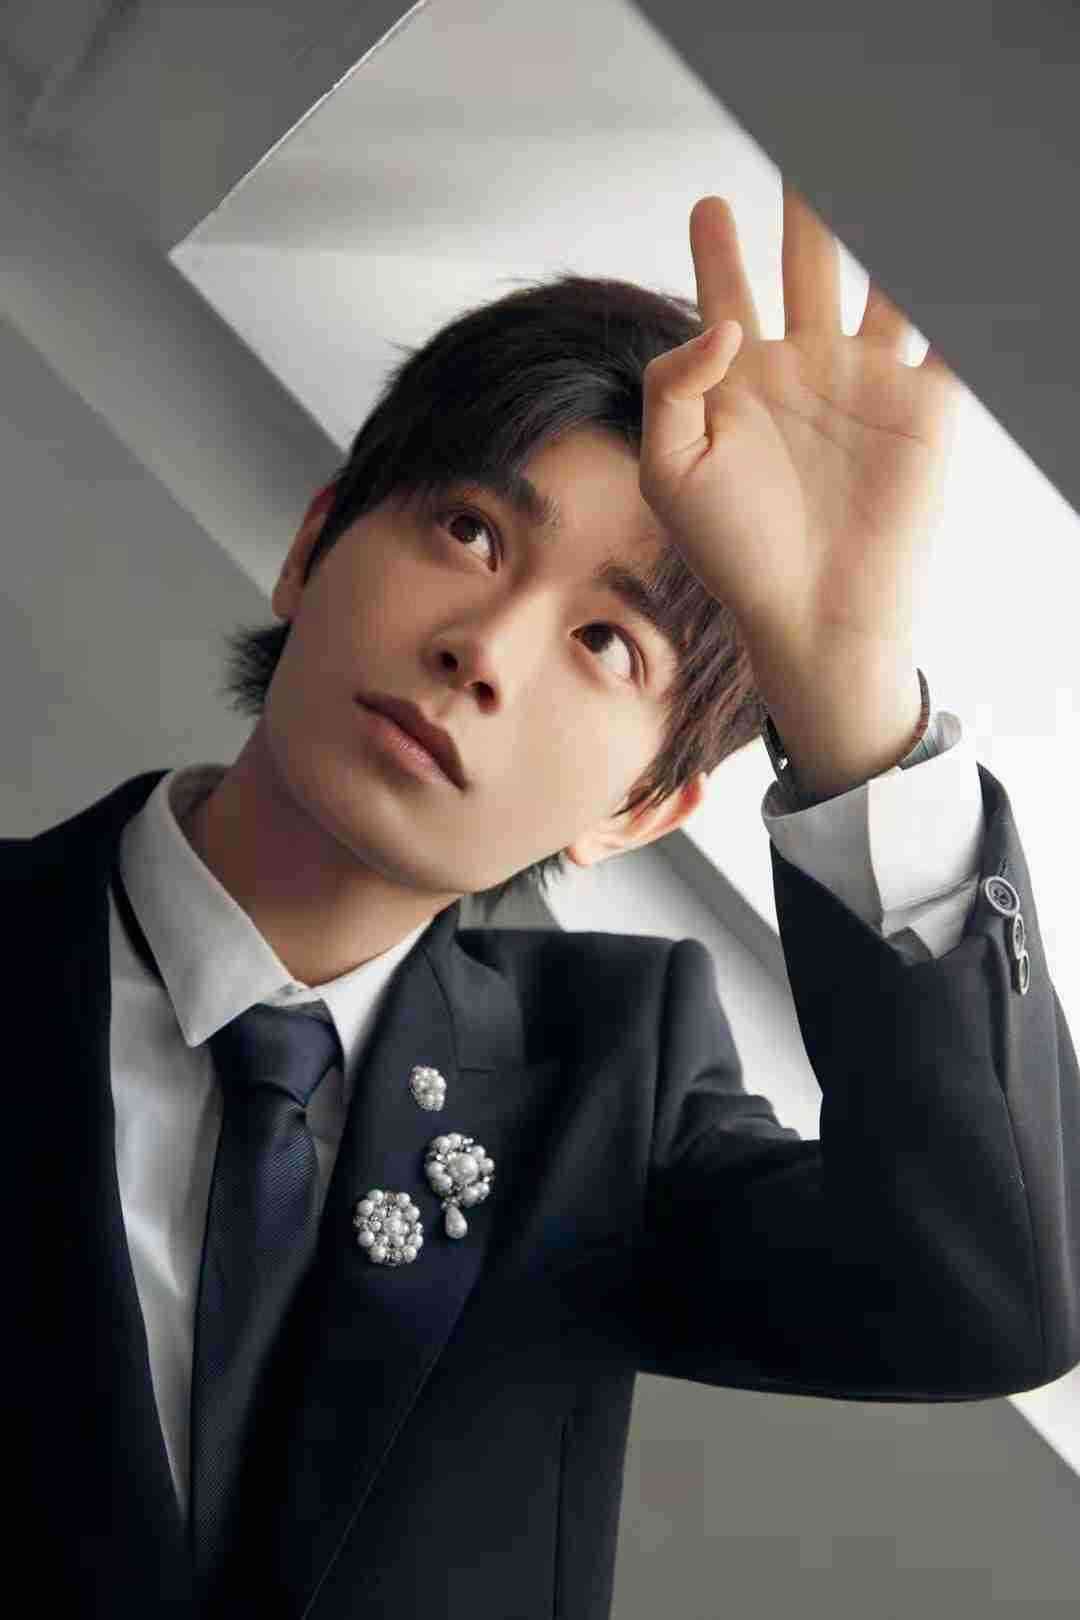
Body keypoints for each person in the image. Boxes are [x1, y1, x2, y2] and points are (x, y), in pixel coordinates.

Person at [7, 184, 1079, 1620]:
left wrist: (844, 688)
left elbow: (988, 1299)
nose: (487, 649)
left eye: (607, 642)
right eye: (468, 531)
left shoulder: (612, 1080)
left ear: (642, 809)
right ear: (312, 547)